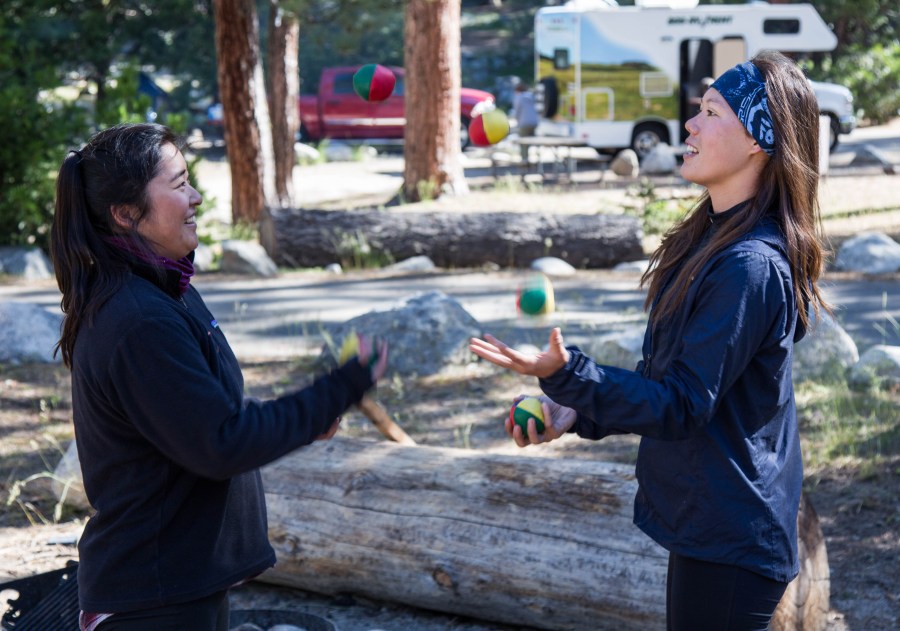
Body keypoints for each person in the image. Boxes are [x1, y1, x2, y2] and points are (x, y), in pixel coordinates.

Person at [470, 50, 830, 631]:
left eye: (711, 112)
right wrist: (574, 409)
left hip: (733, 533)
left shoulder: (749, 266)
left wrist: (570, 375)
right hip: (711, 524)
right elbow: (668, 384)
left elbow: (683, 404)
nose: (690, 124)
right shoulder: (712, 240)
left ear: (757, 140)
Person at [51, 122, 388, 630]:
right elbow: (220, 444)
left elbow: (198, 416)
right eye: (179, 184)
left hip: (179, 585)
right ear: (125, 213)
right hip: (152, 600)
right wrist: (335, 391)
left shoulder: (165, 290)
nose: (196, 198)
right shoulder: (139, 319)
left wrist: (300, 421)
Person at [512, 82, 540, 163]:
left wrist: (517, 120)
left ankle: (525, 160)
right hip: (534, 122)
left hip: (524, 123)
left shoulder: (519, 97)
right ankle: (538, 158)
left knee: (523, 142)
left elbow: (517, 111)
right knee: (533, 141)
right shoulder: (531, 96)